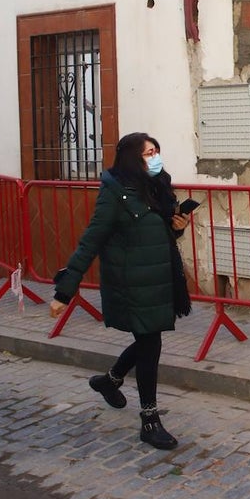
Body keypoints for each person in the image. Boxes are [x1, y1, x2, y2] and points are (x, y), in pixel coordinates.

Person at [49, 132, 193, 450]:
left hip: (157, 278)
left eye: (157, 151)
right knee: (150, 342)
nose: (155, 158)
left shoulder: (158, 186)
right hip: (130, 282)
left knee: (148, 339)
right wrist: (65, 291)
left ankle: (110, 380)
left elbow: (158, 234)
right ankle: (149, 419)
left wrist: (177, 229)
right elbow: (92, 239)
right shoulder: (114, 193)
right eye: (148, 153)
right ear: (132, 158)